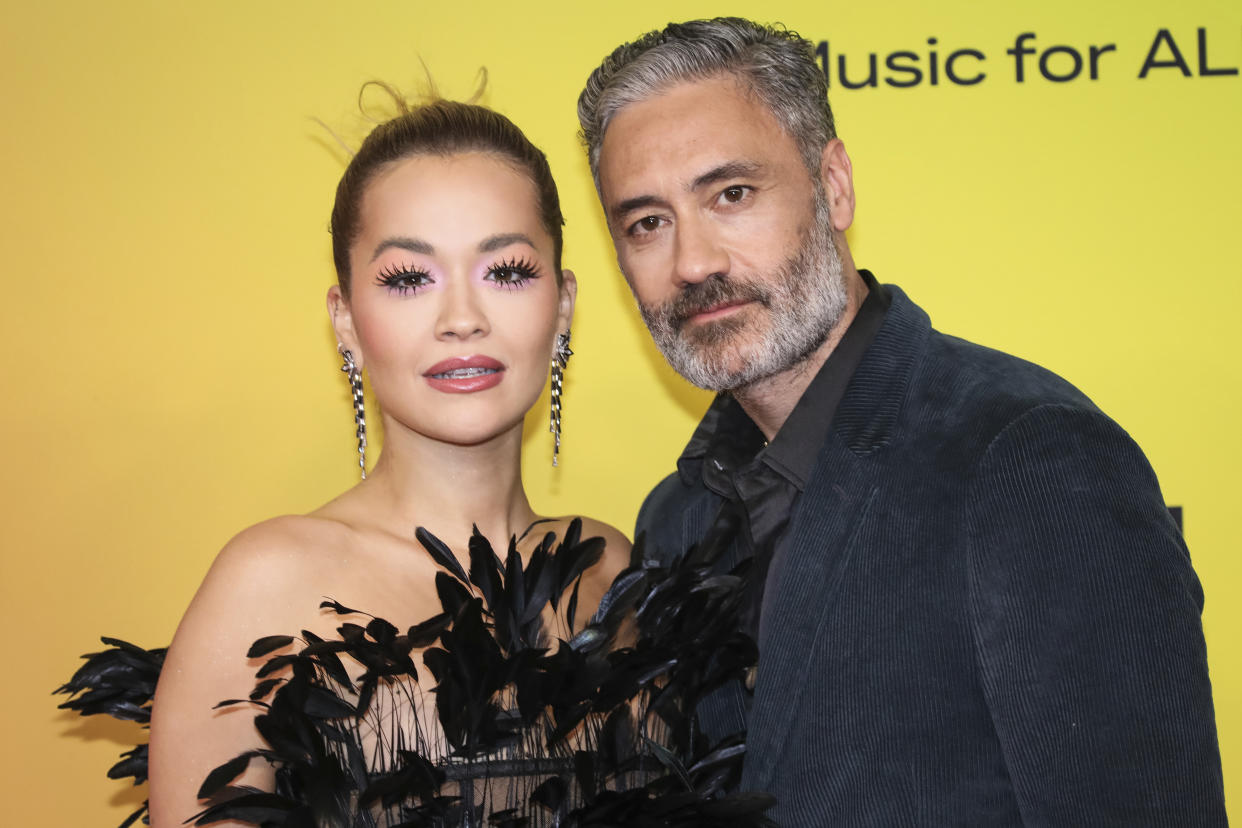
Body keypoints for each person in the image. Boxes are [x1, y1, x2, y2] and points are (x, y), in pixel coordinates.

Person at [578, 17, 1227, 826]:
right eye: (647, 223)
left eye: (732, 194)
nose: (693, 263)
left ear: (834, 185)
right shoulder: (675, 518)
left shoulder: (1031, 458)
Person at [141, 89, 630, 826]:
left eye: (506, 271)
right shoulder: (268, 583)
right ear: (344, 320)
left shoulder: (606, 566)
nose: (462, 318)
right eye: (409, 279)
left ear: (562, 304)